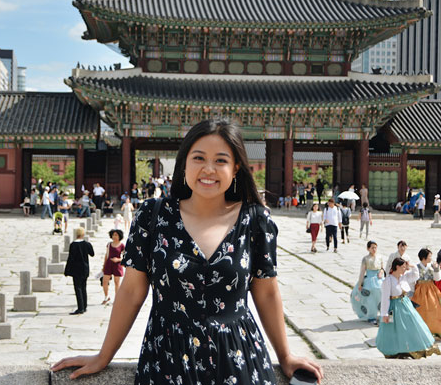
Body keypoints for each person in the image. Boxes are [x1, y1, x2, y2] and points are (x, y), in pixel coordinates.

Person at [51, 119, 322, 383]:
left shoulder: (255, 221)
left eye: (221, 160)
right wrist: (103, 355)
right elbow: (132, 291)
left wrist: (285, 356)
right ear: (184, 163)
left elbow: (267, 292)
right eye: (199, 158)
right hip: (166, 359)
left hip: (238, 359)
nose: (208, 169)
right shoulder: (153, 216)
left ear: (236, 167)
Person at [376, 257, 440, 359]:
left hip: (405, 304)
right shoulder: (388, 281)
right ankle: (396, 351)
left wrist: (411, 266)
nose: (404, 269)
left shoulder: (403, 277)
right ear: (397, 267)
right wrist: (384, 314)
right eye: (403, 267)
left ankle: (413, 348)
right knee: (394, 329)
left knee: (413, 325)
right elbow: (385, 298)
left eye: (405, 267)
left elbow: (416, 274)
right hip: (394, 307)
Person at [412, 248, 441, 336]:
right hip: (419, 290)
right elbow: (412, 281)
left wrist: (436, 269)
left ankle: (433, 329)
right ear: (424, 258)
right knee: (420, 310)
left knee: (434, 309)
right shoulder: (416, 267)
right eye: (429, 256)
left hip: (431, 289)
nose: (431, 258)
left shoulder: (432, 266)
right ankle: (420, 330)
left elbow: (437, 278)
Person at [350, 240, 385, 324]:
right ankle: (371, 316)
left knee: (382, 297)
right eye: (372, 248)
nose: (374, 249)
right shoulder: (365, 259)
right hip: (369, 280)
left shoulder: (380, 257)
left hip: (379, 279)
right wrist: (360, 283)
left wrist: (381, 272)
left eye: (375, 248)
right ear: (368, 248)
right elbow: (362, 272)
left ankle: (382, 314)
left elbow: (382, 268)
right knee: (370, 299)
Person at [64, 227, 95, 315]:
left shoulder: (73, 245)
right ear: (83, 234)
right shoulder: (87, 244)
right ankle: (84, 306)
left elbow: (71, 258)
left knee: (78, 288)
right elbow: (92, 254)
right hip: (85, 268)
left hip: (76, 269)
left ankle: (80, 308)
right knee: (84, 287)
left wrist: (67, 270)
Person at [101, 229, 125, 305]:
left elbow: (125, 257)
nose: (114, 236)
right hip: (108, 264)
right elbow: (106, 255)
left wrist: (118, 259)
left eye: (116, 235)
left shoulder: (122, 245)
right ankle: (106, 296)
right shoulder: (109, 244)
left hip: (117, 265)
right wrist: (103, 265)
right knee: (105, 281)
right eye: (113, 235)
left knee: (117, 283)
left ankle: (117, 299)